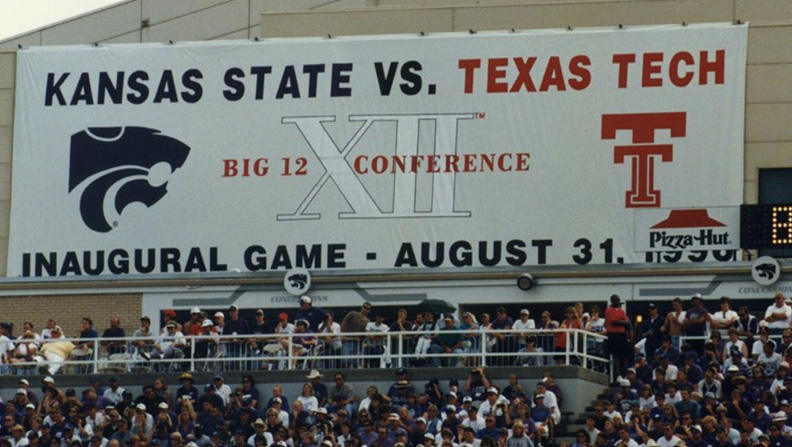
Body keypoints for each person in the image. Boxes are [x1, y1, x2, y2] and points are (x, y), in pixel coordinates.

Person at [605, 295, 631, 379]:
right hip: (613, 334)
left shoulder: (621, 311)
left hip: (622, 334)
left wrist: (621, 322)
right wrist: (622, 322)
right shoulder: (609, 311)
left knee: (624, 355)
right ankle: (618, 374)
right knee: (615, 355)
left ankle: (624, 373)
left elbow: (626, 322)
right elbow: (614, 322)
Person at [340, 303, 372, 368]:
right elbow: (344, 322)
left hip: (358, 343)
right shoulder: (353, 314)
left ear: (369, 310)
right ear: (362, 307)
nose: (365, 309)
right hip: (348, 340)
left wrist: (361, 338)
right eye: (364, 307)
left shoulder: (368, 321)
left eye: (368, 308)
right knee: (346, 360)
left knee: (356, 361)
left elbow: (366, 332)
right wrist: (342, 334)